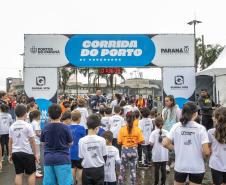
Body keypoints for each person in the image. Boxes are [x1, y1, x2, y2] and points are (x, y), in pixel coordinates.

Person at [163, 102, 210, 185]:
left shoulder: (176, 126)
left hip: (180, 166)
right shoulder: (201, 129)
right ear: (195, 114)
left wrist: (176, 148)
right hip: (197, 167)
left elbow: (165, 143)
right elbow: (206, 152)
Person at [41, 104, 73, 185]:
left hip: (48, 159)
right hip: (63, 159)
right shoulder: (66, 127)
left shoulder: (45, 127)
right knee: (65, 183)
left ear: (49, 115)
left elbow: (43, 143)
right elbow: (70, 143)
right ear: (61, 114)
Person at [8, 104, 39, 185]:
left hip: (15, 153)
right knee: (32, 173)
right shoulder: (28, 125)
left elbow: (10, 142)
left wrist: (10, 154)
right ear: (25, 113)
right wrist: (35, 154)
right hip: (27, 152)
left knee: (18, 174)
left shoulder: (12, 126)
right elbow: (33, 141)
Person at [78, 114, 107, 185]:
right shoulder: (102, 140)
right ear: (97, 128)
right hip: (99, 170)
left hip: (87, 170)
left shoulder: (82, 140)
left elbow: (81, 157)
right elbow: (104, 156)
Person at [118, 111, 144, 185]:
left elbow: (119, 142)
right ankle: (132, 183)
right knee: (133, 170)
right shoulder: (138, 129)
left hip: (125, 151)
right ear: (134, 119)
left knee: (122, 169)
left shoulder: (122, 129)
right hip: (134, 151)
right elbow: (141, 141)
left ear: (126, 119)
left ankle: (121, 183)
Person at [162, 95, 181, 171]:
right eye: (165, 101)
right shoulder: (164, 110)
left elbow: (179, 120)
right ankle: (167, 163)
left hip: (175, 131)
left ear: (172, 101)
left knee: (174, 146)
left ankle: (173, 161)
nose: (166, 102)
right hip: (166, 131)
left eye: (167, 101)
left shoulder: (177, 109)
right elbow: (163, 120)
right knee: (167, 147)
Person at [208, 107, 226, 185]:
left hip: (216, 164)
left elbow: (208, 149)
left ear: (216, 118)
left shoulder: (210, 132)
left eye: (213, 116)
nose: (212, 118)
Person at [149, 116, 169, 185]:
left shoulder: (153, 133)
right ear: (163, 124)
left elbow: (151, 144)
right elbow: (169, 142)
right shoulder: (166, 132)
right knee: (163, 170)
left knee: (156, 170)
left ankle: (156, 183)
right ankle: (163, 183)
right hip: (164, 155)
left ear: (155, 124)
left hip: (156, 155)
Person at [69, 110, 86, 185]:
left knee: (72, 168)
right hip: (79, 152)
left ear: (71, 118)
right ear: (79, 119)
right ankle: (79, 183)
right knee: (80, 168)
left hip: (70, 151)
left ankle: (72, 183)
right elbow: (84, 140)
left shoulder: (67, 127)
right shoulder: (82, 128)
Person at [29, 110, 43, 178]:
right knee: (37, 155)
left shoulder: (33, 122)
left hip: (34, 141)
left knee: (35, 155)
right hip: (36, 141)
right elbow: (37, 133)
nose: (40, 117)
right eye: (39, 115)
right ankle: (35, 171)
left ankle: (36, 169)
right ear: (37, 116)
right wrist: (43, 136)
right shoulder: (36, 123)